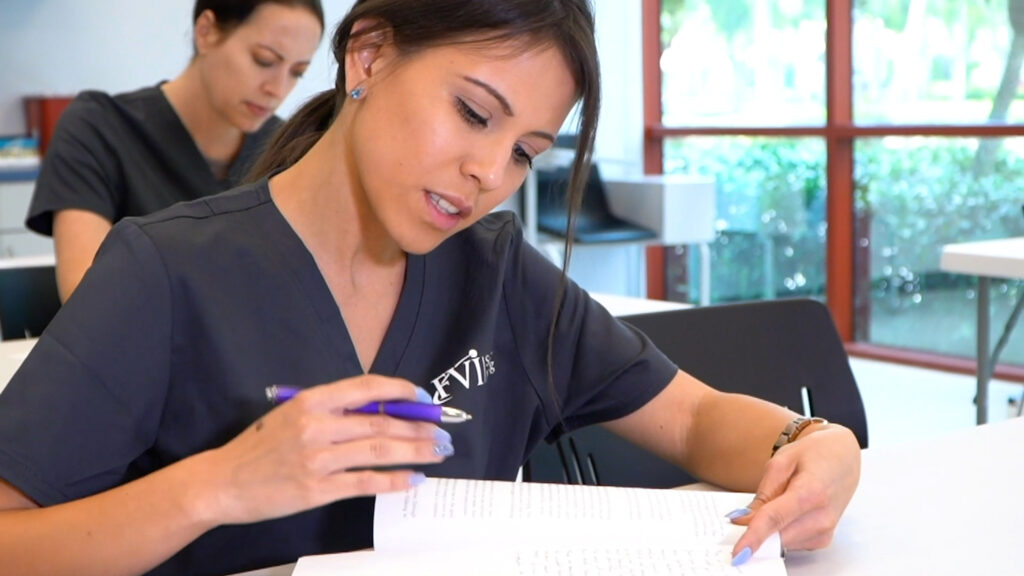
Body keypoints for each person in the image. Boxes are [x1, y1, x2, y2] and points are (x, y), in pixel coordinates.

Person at [0, 0, 861, 574]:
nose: (490, 171)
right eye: (474, 113)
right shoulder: (165, 272)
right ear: (368, 56)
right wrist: (221, 484)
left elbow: (698, 418)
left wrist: (815, 443)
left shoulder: (497, 275)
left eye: (526, 151)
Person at [25, 0, 325, 302]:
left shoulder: (292, 150)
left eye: (297, 72)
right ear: (206, 31)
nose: (278, 88)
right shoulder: (98, 128)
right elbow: (88, 303)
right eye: (264, 60)